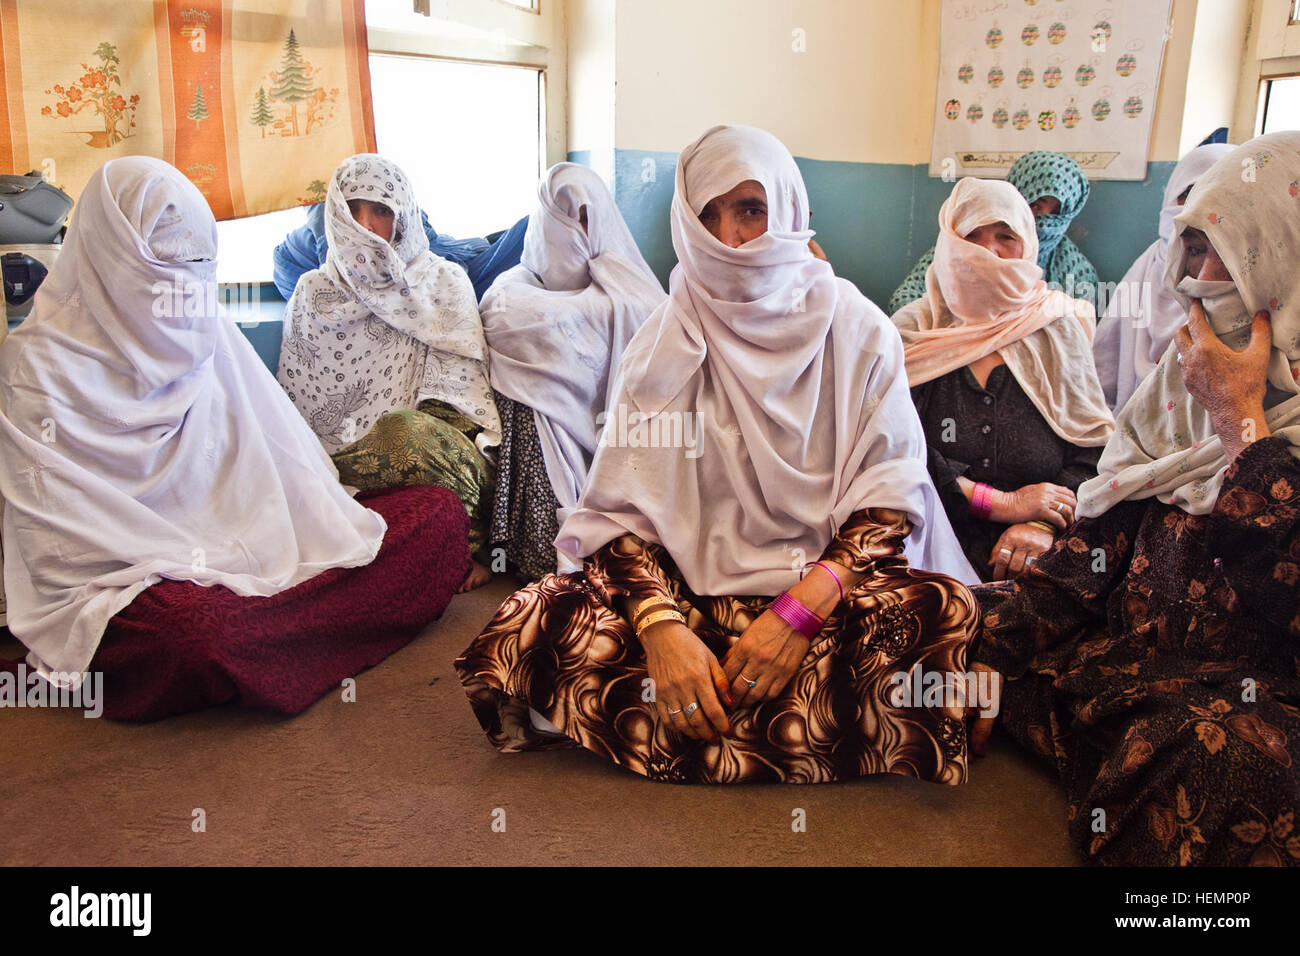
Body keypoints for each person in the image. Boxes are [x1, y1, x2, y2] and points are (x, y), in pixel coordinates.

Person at [456, 125, 978, 785]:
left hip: (822, 592)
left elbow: (888, 500)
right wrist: (662, 632)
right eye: (709, 214)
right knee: (530, 617)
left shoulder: (858, 331)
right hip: (692, 598)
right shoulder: (663, 343)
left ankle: (687, 723)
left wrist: (795, 614)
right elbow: (616, 516)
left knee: (941, 613)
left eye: (751, 210)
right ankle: (795, 724)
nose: (729, 239)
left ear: (788, 211)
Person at [0, 156, 472, 720]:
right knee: (195, 638)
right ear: (108, 259)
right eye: (163, 269)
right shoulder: (35, 366)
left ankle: (283, 629)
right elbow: (57, 553)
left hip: (258, 542)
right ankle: (291, 626)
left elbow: (292, 463)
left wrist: (281, 533)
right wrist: (187, 562)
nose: (184, 290)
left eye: (198, 265)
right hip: (140, 578)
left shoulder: (208, 328)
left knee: (439, 515)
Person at [968, 132, 1300, 866]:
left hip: (1253, 692)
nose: (1199, 281)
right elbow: (1101, 544)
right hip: (1127, 657)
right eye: (1192, 252)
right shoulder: (1177, 388)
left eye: (1229, 258)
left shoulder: (1231, 397)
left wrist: (1241, 424)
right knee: (953, 618)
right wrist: (1002, 642)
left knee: (1220, 760)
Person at [276, 154, 501, 592]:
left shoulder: (443, 281)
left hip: (421, 449)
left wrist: (393, 444)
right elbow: (296, 405)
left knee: (406, 435)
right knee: (272, 456)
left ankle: (473, 545)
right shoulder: (312, 292)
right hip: (332, 454)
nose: (365, 225)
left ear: (404, 218)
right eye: (353, 210)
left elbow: (463, 409)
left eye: (381, 210)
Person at [892, 178, 1114, 581]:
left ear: (1027, 245)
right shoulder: (913, 330)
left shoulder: (1058, 327)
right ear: (948, 242)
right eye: (971, 236)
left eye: (1005, 237)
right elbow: (890, 448)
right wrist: (1004, 503)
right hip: (922, 539)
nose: (988, 253)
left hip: (1040, 548)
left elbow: (1093, 451)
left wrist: (1042, 524)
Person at [479, 162, 667, 580]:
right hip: (549, 432)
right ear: (546, 221)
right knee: (526, 402)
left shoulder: (627, 286)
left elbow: (659, 345)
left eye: (587, 216)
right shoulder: (511, 292)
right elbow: (515, 323)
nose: (578, 229)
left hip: (620, 434)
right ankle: (526, 540)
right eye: (565, 217)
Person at [1092, 143, 1236, 412]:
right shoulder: (1144, 271)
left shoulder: (1248, 284)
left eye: (1212, 192)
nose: (1204, 275)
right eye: (1189, 194)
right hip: (1122, 429)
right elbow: (1102, 372)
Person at [888, 151, 1099, 315]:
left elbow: (1075, 338)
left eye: (1057, 214)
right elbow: (906, 301)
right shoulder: (959, 247)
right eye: (1035, 206)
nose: (1044, 224)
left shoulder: (1077, 272)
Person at [273, 197, 529, 303]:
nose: (366, 225)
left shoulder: (433, 262)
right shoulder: (301, 273)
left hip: (466, 256)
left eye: (382, 211)